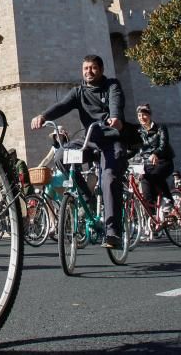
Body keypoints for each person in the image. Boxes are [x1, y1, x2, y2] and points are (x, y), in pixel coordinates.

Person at [30, 54, 133, 248]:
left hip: (111, 140)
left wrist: (116, 118)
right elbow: (62, 106)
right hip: (89, 140)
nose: (89, 72)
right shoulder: (79, 92)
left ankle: (113, 233)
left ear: (101, 70)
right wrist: (43, 117)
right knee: (61, 155)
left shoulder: (112, 86)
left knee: (109, 178)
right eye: (85, 68)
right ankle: (87, 198)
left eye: (93, 68)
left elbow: (116, 104)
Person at [134, 103, 175, 213]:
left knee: (156, 176)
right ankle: (152, 217)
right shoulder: (138, 132)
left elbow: (163, 144)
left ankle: (168, 199)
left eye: (144, 115)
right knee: (145, 182)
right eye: (139, 115)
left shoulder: (160, 128)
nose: (142, 118)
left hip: (163, 161)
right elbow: (134, 149)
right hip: (147, 164)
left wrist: (156, 153)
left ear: (149, 115)